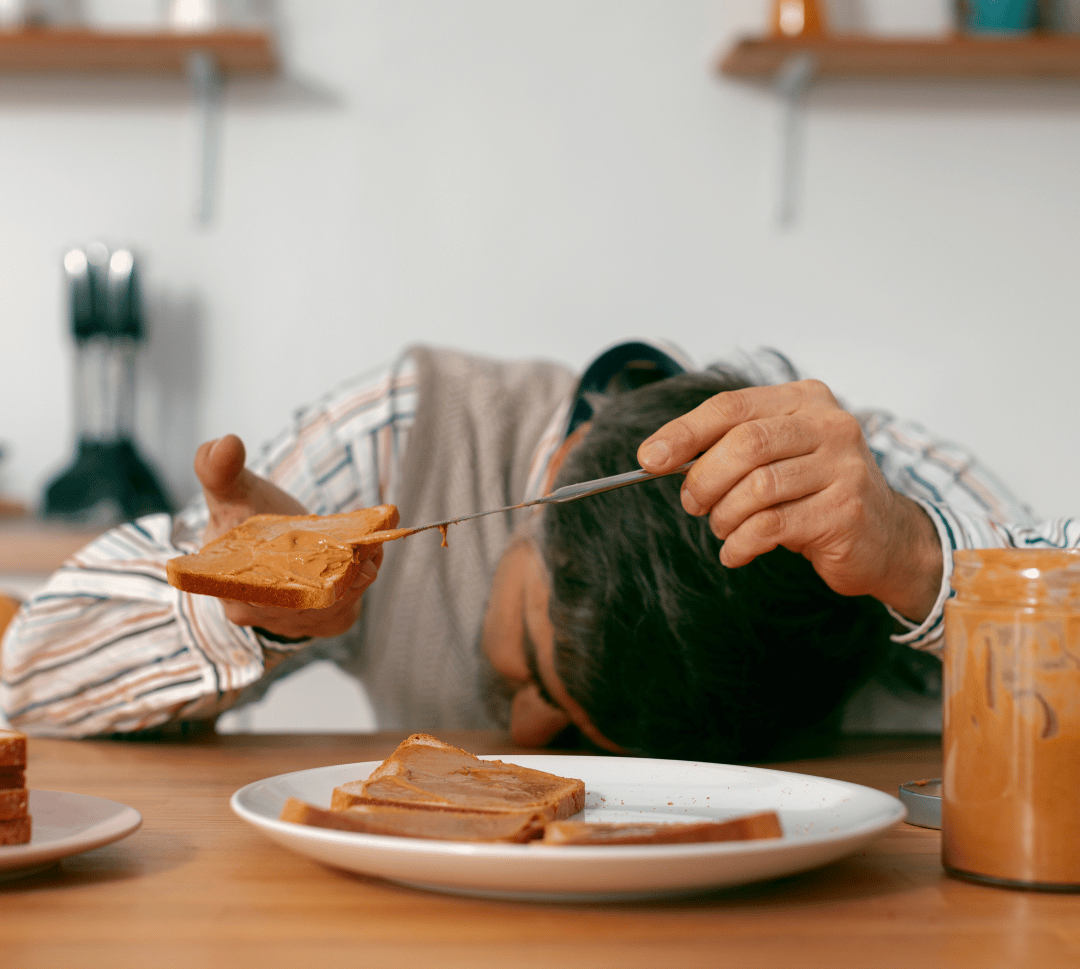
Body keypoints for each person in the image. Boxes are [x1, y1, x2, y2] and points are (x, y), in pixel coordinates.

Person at [0, 341, 1065, 760]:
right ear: (547, 477)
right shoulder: (399, 442)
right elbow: (26, 680)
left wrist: (924, 566)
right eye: (526, 665)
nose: (520, 734)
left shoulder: (870, 503)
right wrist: (249, 610)